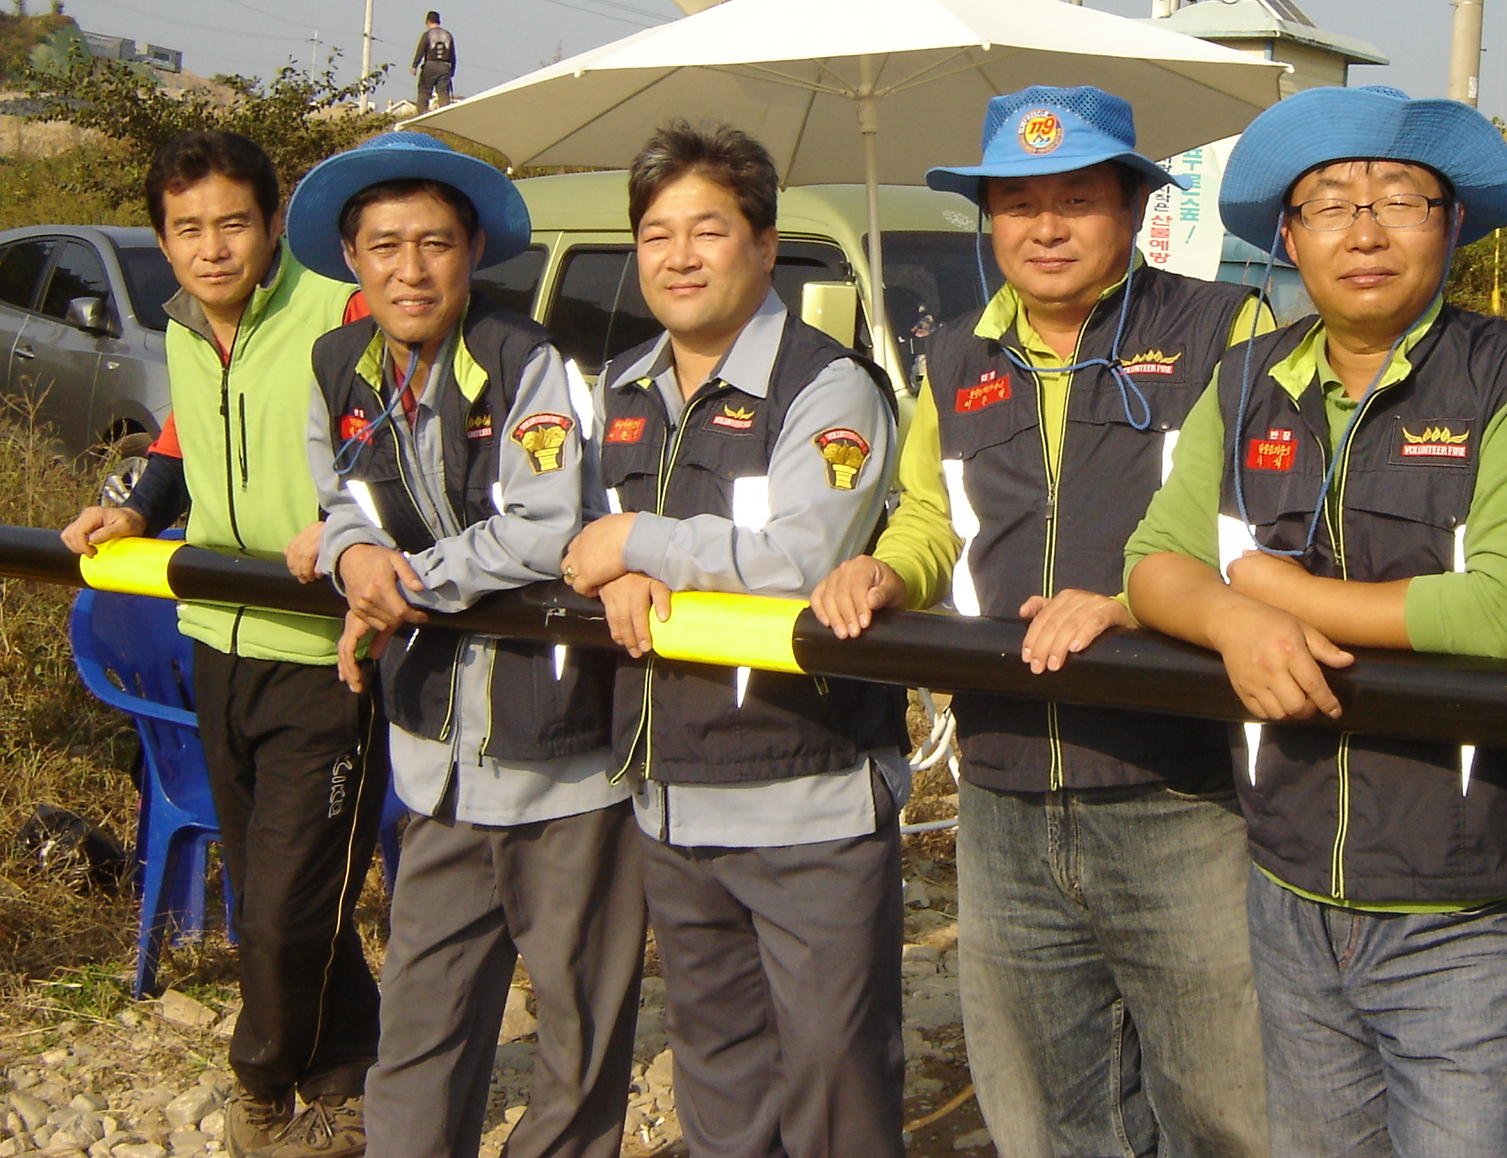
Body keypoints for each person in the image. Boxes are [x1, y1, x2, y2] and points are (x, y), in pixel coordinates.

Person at [1125, 85, 1507, 1158]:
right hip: (1287, 873)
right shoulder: (1246, 379)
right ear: (1289, 238)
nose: (1366, 231)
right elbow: (1151, 562)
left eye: (1399, 200)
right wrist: (1234, 623)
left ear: (1452, 224)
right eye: (1331, 205)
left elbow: (1506, 612)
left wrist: (1275, 590)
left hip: (1466, 897)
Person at [811, 85, 1271, 1158]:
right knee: (1046, 1112)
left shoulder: (1224, 329)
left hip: (1182, 785)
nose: (1046, 227)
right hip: (1004, 781)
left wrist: (1135, 604)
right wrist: (884, 573)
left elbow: (1262, 519)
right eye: (1018, 204)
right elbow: (932, 516)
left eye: (1076, 199)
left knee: (1226, 1109)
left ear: (1135, 208)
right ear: (988, 220)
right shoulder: (957, 357)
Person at [291, 130, 640, 1158]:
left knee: (577, 1021)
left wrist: (401, 583)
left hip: (558, 745)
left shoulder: (523, 361)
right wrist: (354, 556)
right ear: (351, 260)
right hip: (434, 750)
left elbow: (542, 525)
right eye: (385, 246)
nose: (410, 269)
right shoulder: (339, 366)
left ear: (472, 250)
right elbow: (339, 501)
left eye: (434, 244)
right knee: (421, 1012)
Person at [562, 122, 903, 1158]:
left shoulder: (828, 388)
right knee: (717, 1077)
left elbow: (800, 557)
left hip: (806, 796)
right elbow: (576, 545)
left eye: (707, 230)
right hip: (670, 793)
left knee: (835, 1085)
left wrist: (638, 541)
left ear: (764, 244)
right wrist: (618, 562)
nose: (678, 256)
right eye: (655, 234)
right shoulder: (621, 388)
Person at [59, 131, 382, 1158]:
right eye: (188, 229)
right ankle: (348, 1073)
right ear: (162, 240)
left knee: (288, 906)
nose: (212, 248)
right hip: (218, 644)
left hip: (328, 652)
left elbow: (396, 440)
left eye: (233, 223)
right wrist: (131, 508)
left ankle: (261, 1090)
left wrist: (347, 528)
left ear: (275, 223)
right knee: (274, 898)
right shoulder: (188, 328)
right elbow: (179, 440)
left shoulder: (340, 312)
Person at [412, 11, 456, 113]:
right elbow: (453, 54)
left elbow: (420, 50)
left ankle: (422, 114)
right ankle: (445, 114)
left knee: (424, 91)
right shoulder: (448, 35)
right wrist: (452, 69)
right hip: (445, 66)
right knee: (443, 92)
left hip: (430, 65)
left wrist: (415, 65)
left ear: (428, 22)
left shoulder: (427, 35)